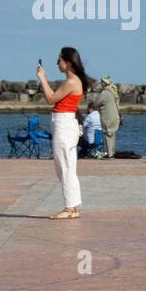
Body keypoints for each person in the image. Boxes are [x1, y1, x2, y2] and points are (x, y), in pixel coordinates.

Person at [36, 47, 89, 219]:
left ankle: (69, 208)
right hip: (64, 123)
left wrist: (42, 78)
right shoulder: (74, 80)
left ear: (68, 62)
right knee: (67, 166)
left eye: (59, 60)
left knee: (64, 166)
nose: (57, 63)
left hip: (64, 124)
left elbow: (51, 98)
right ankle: (73, 207)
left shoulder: (72, 82)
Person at [95, 75, 122, 158]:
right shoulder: (114, 91)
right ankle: (112, 153)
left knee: (108, 134)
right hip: (115, 116)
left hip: (107, 117)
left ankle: (110, 154)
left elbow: (96, 104)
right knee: (112, 134)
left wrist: (93, 104)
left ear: (103, 83)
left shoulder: (105, 93)